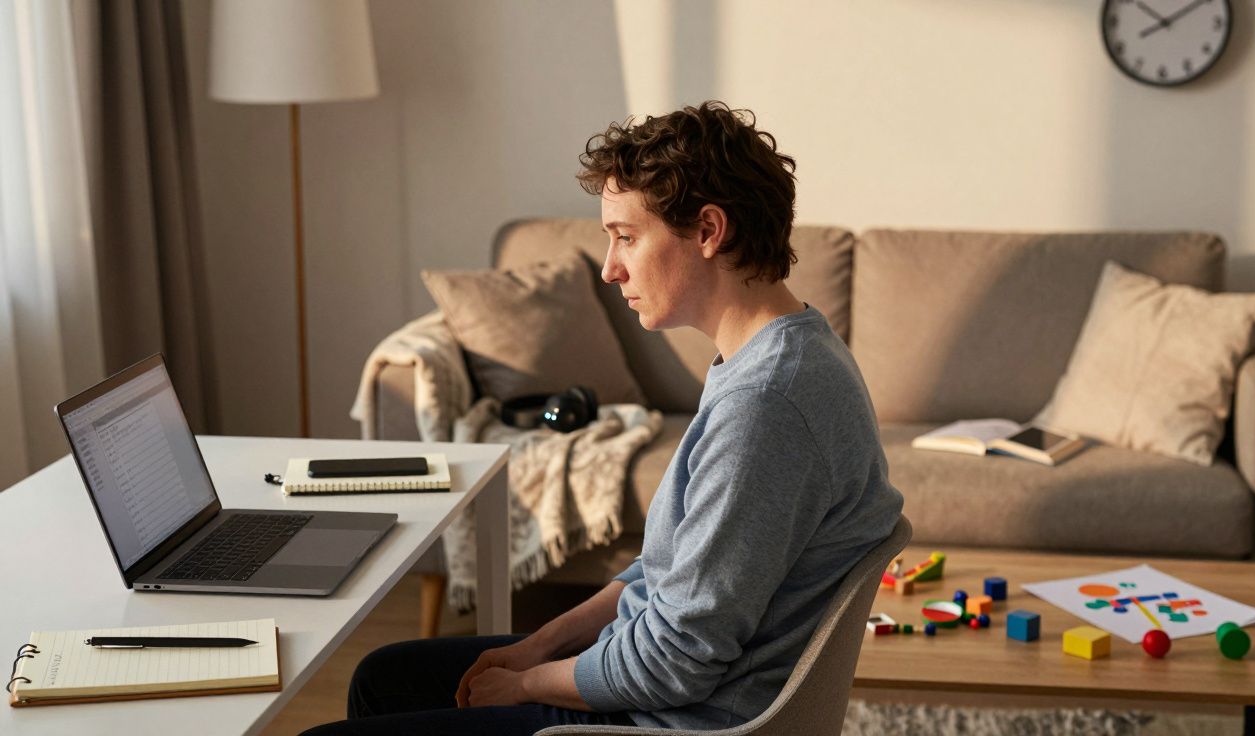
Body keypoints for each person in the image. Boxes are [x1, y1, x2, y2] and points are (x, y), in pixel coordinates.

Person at [303, 101, 903, 736]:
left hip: (668, 720)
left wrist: (529, 683)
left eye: (625, 236)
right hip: (661, 685)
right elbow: (670, 571)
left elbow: (675, 662)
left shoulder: (767, 405)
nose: (611, 268)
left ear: (707, 231)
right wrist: (542, 643)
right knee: (383, 676)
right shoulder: (778, 353)